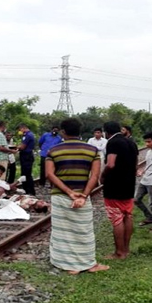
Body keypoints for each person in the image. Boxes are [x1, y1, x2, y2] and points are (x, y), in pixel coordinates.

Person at [46, 118, 108, 275]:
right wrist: (84, 195)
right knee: (84, 230)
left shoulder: (53, 150)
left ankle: (68, 265)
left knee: (62, 230)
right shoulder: (92, 150)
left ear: (63, 132)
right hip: (82, 196)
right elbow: (95, 176)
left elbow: (49, 174)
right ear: (80, 131)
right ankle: (88, 263)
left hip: (60, 195)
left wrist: (69, 192)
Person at [101, 121, 139, 259]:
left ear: (106, 132)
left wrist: (102, 176)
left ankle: (119, 252)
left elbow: (110, 164)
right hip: (129, 183)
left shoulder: (113, 143)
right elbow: (135, 164)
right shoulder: (131, 142)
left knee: (116, 217)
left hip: (114, 184)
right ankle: (126, 249)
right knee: (127, 215)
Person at [17, 124, 36, 195]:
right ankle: (26, 189)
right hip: (27, 155)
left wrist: (16, 147)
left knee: (26, 174)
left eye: (19, 130)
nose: (19, 131)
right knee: (25, 173)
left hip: (26, 156)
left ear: (22, 128)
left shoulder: (27, 135)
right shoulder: (28, 135)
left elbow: (22, 147)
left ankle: (30, 190)